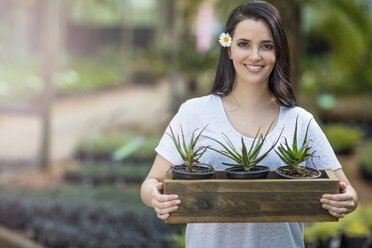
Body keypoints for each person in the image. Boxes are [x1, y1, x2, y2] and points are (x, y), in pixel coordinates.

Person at [140, 1, 358, 247]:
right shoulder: (194, 113)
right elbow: (151, 183)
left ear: (277, 53)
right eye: (244, 44)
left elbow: (346, 190)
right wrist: (156, 198)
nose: (255, 56)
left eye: (266, 46)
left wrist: (347, 199)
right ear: (229, 48)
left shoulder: (300, 121)